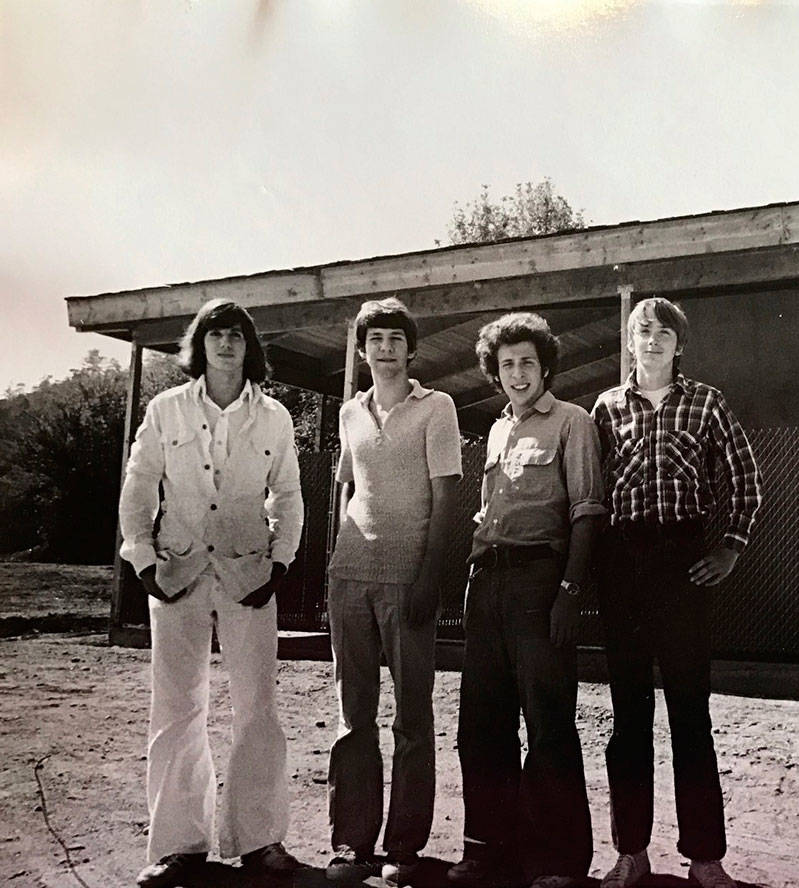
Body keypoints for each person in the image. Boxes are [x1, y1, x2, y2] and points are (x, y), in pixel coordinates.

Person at [119, 299, 305, 887]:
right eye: (215, 335)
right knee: (177, 708)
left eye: (236, 336)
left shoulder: (273, 416)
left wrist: (277, 564)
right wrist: (144, 560)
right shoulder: (166, 409)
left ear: (250, 348)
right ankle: (179, 846)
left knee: (257, 708)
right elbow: (140, 485)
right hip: (176, 576)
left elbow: (290, 496)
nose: (226, 345)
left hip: (249, 578)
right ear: (199, 346)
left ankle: (260, 841)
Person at [591, 297, 762, 888]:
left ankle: (706, 858)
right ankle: (631, 854)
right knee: (628, 720)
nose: (654, 340)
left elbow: (744, 478)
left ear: (679, 344)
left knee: (690, 714)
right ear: (630, 343)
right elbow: (591, 490)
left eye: (665, 332)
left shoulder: (707, 402)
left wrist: (730, 547)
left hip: (683, 566)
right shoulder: (607, 408)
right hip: (623, 569)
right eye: (643, 332)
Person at [447, 312, 605, 888]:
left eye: (527, 363)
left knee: (548, 722)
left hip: (541, 585)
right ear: (496, 371)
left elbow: (588, 511)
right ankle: (488, 850)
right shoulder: (496, 429)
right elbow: (487, 513)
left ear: (545, 368)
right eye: (507, 363)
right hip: (485, 584)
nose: (517, 373)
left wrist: (568, 592)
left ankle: (556, 861)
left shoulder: (573, 423)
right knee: (481, 724)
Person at [325, 297, 461, 885]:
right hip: (349, 578)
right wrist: (336, 558)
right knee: (354, 714)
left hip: (409, 579)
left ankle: (404, 847)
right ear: (362, 351)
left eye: (394, 340)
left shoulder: (439, 408)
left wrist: (430, 577)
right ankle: (353, 843)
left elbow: (448, 498)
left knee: (412, 716)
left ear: (410, 350)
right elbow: (345, 488)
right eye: (374, 339)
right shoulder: (349, 411)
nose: (385, 349)